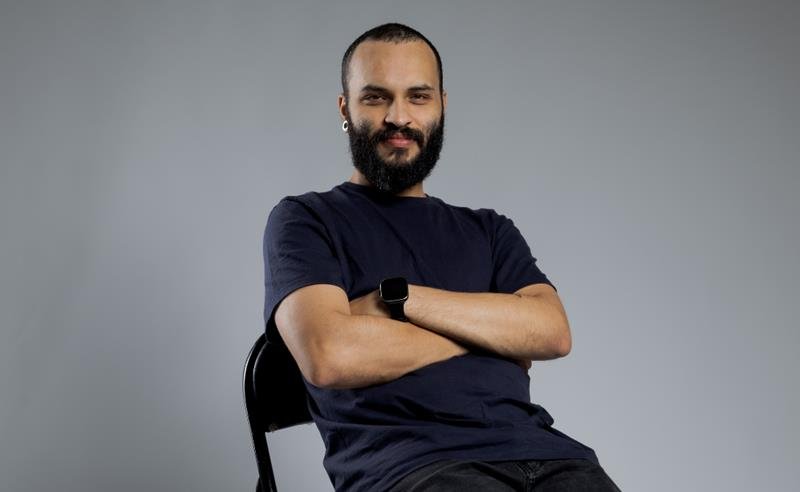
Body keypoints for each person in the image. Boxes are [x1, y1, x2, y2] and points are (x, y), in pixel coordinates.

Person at [263, 23, 621, 492]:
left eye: (418, 97)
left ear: (441, 107)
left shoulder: (489, 230)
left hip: (552, 457)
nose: (399, 117)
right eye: (376, 97)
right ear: (345, 108)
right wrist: (491, 335)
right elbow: (329, 356)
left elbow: (552, 332)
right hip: (414, 468)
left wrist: (400, 301)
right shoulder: (306, 220)